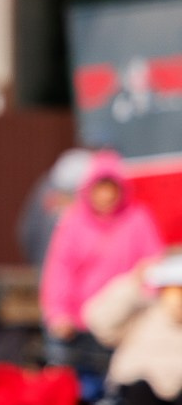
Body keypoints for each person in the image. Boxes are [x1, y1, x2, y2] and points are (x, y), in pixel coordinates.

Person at [38, 151, 163, 372]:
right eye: (100, 188)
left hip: (126, 323)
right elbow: (60, 271)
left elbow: (153, 267)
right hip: (80, 325)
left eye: (110, 188)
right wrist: (58, 313)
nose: (105, 196)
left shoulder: (137, 219)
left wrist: (146, 296)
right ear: (89, 190)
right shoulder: (74, 222)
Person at [84, 254, 182, 405]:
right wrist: (134, 283)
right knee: (140, 392)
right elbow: (99, 321)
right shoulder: (144, 312)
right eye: (174, 291)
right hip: (139, 396)